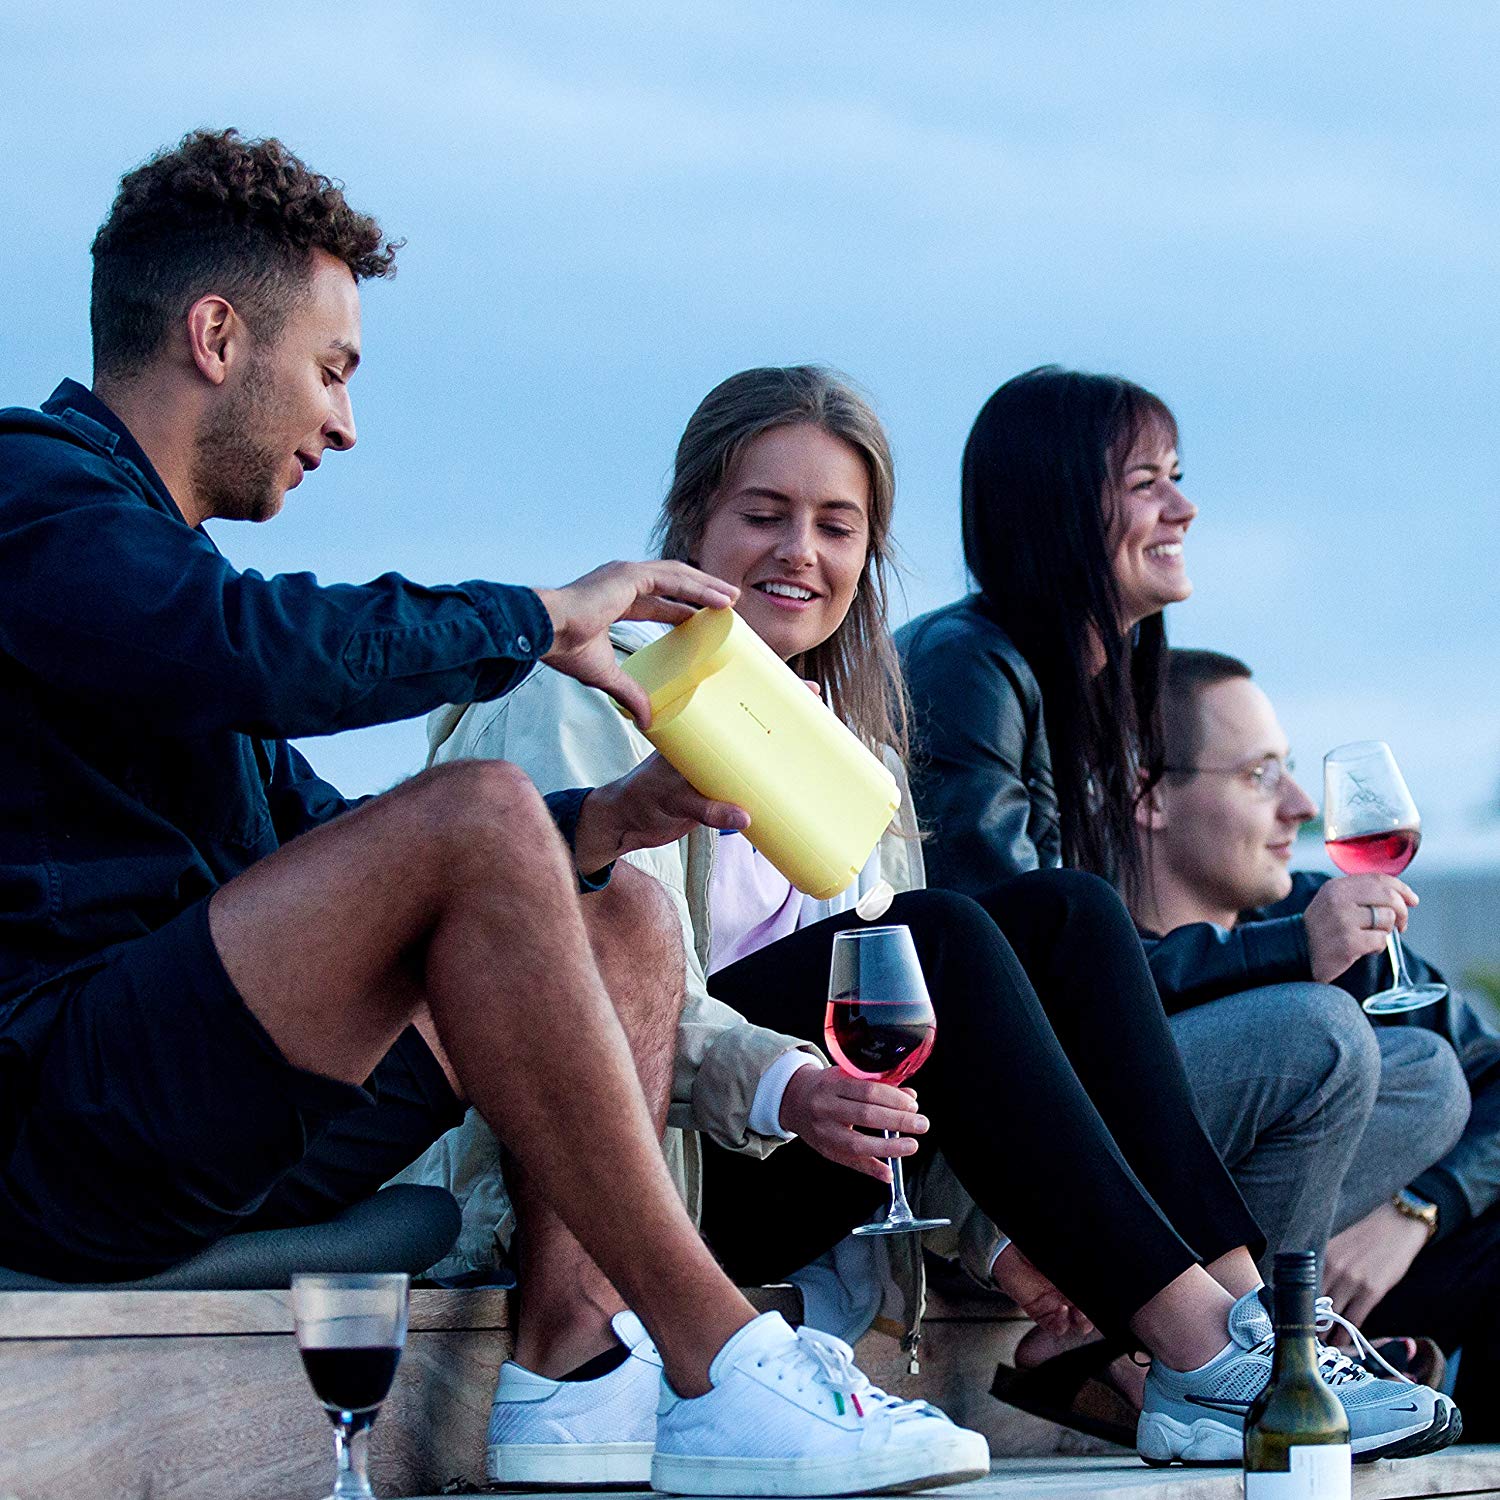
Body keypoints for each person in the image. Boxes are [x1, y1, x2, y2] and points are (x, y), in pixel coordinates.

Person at [0, 129, 998, 1498]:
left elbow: (302, 830)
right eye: (333, 369)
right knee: (473, 808)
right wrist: (534, 617)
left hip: (218, 1111)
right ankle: (721, 1353)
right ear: (216, 335)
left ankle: (572, 1377)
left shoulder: (154, 578)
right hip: (67, 1116)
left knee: (628, 918)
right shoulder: (34, 499)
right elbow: (251, 649)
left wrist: (611, 819)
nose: (346, 423)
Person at [411, 364, 1456, 1472]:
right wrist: (781, 1081)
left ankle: (1245, 1323)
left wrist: (1001, 1240)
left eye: (836, 526)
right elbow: (561, 980)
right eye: (762, 515)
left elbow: (930, 1048)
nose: (798, 553)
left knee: (1066, 914)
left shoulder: (852, 753)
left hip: (798, 1160)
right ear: (691, 522)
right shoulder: (584, 690)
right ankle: (1202, 1350)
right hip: (635, 1172)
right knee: (937, 940)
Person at [896, 366, 1461, 1282]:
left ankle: (1196, 1337)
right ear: (1059, 508)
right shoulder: (969, 670)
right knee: (1319, 1036)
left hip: (1075, 1092)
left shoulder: (1092, 686)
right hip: (978, 1130)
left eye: (1178, 475)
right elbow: (1025, 967)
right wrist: (1287, 949)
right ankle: (1239, 1346)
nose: (1185, 508)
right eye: (1147, 483)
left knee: (1425, 1075)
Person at [1132, 646, 1496, 1436]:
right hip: (1127, 1261)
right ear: (1150, 797)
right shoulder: (1095, 941)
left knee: (1434, 1076)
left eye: (1291, 769)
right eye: (1260, 775)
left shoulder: (1315, 916)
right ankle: (1222, 1359)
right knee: (1330, 1035)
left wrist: (1415, 1208)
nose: (1300, 804)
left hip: (1323, 1272)